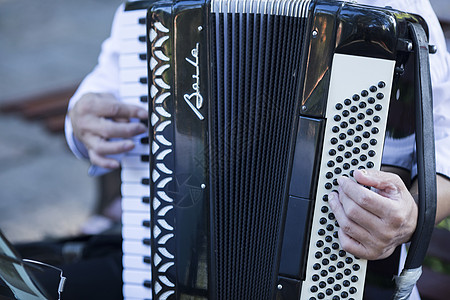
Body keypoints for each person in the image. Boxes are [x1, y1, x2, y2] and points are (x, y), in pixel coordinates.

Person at [64, 0, 450, 299]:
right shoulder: (152, 10)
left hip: (336, 272)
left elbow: (446, 139)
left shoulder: (393, 7)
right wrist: (81, 120)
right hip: (173, 262)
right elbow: (103, 90)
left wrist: (412, 215)